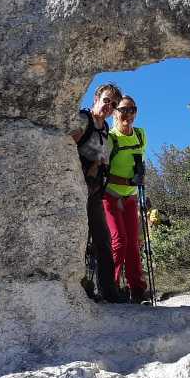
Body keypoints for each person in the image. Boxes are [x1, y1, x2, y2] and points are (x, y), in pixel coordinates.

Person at [70, 83, 123, 303]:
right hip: (76, 188)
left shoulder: (105, 130)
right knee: (79, 241)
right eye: (106, 100)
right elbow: (65, 148)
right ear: (96, 98)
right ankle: (82, 290)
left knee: (102, 240)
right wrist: (88, 165)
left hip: (95, 192)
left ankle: (109, 291)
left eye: (113, 104)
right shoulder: (84, 120)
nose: (108, 106)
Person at [103, 95, 149, 303]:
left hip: (130, 197)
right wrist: (129, 181)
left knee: (133, 243)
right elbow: (103, 173)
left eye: (132, 110)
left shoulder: (140, 135)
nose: (127, 115)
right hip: (110, 194)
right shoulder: (110, 138)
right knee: (119, 241)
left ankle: (137, 290)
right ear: (115, 112)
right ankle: (110, 289)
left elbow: (139, 163)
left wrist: (140, 175)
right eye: (123, 110)